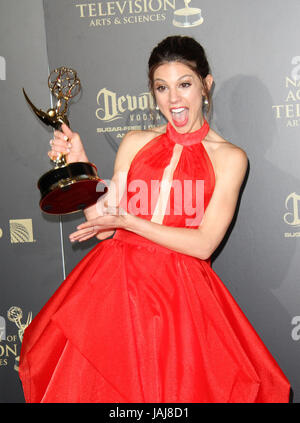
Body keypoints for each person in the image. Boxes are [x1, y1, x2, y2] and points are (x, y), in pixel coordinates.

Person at [19, 35, 290, 403]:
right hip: (117, 294)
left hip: (180, 301)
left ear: (206, 86)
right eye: (162, 88)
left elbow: (204, 243)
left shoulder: (230, 158)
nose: (173, 99)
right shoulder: (134, 141)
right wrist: (80, 164)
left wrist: (130, 223)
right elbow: (104, 224)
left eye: (184, 85)